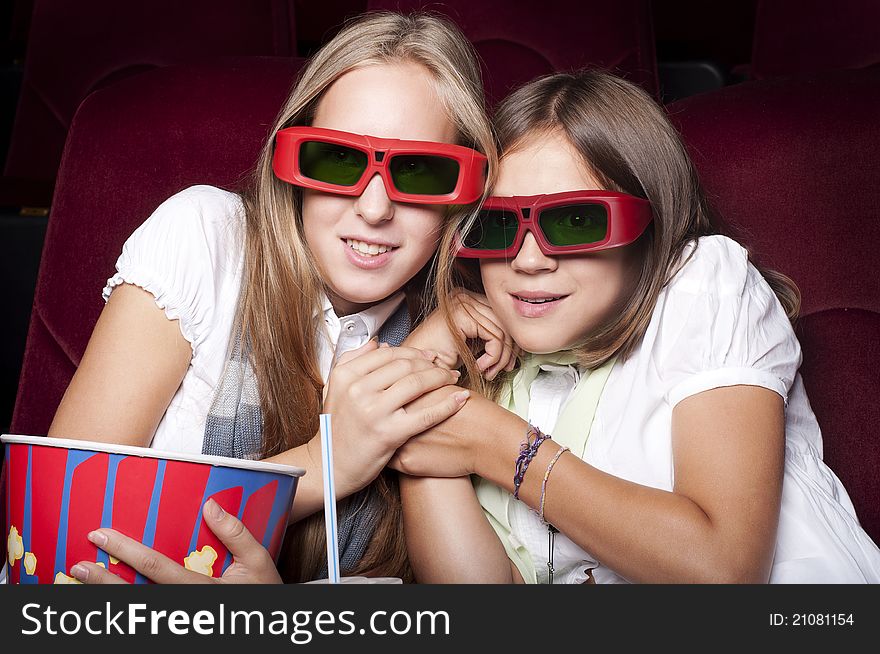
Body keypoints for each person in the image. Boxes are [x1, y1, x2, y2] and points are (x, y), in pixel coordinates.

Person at [49, 10, 507, 585]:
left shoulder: (463, 335)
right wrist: (323, 463)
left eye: (420, 172)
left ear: (463, 194)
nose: (373, 208)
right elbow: (61, 520)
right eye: (338, 159)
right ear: (291, 163)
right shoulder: (207, 238)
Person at [391, 69, 880, 583]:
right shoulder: (498, 361)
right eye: (496, 225)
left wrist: (501, 446)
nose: (528, 259)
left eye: (575, 221)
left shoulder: (702, 282)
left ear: (652, 227)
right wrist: (424, 388)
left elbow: (725, 572)